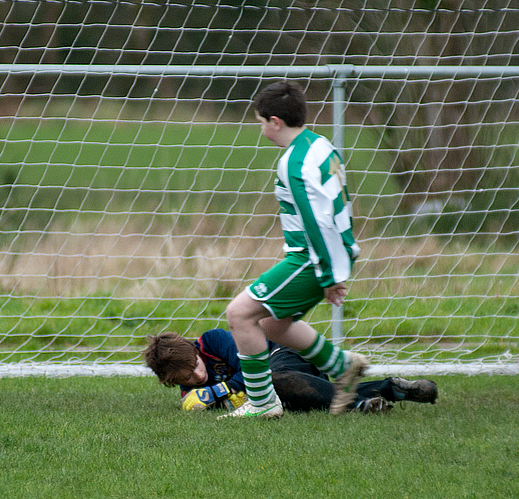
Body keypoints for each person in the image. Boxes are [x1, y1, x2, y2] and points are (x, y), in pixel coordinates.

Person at [219, 80, 384, 418]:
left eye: (261, 122)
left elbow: (316, 221)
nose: (261, 128)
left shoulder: (294, 163)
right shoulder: (320, 144)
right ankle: (342, 366)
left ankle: (263, 404)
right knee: (272, 325)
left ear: (275, 122)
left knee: (239, 315)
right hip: (329, 253)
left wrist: (327, 274)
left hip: (311, 258)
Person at [143, 329, 438, 413]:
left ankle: (367, 399)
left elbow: (251, 370)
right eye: (187, 380)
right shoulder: (187, 385)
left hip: (283, 355)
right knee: (286, 402)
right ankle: (385, 392)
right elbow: (194, 402)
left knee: (271, 380)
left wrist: (221, 391)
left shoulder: (212, 340)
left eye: (195, 367)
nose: (197, 378)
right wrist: (195, 404)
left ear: (195, 351)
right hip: (301, 384)